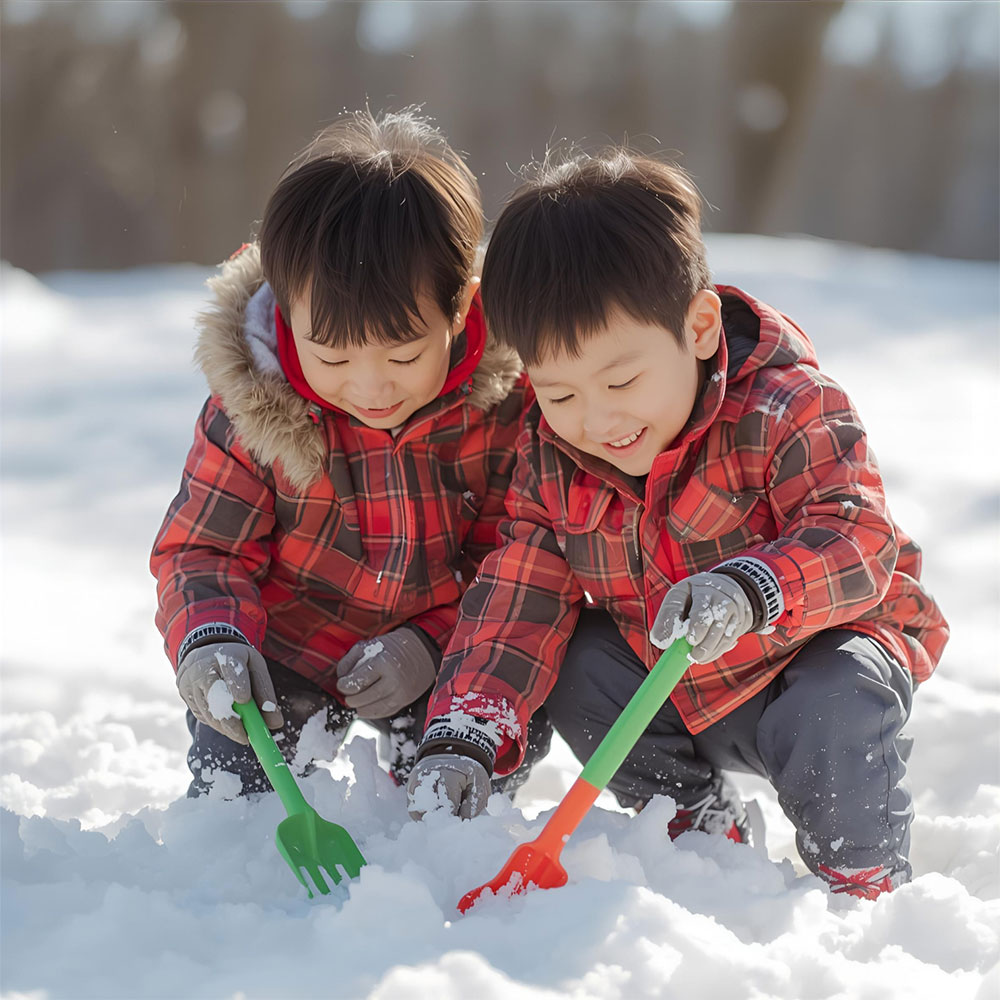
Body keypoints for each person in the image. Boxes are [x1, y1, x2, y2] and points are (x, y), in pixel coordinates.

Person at [405, 148, 949, 899]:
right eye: (560, 394)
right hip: (678, 683)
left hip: (807, 663)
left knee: (839, 693)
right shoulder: (552, 456)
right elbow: (519, 596)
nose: (598, 420)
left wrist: (754, 588)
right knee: (579, 664)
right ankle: (697, 830)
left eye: (622, 380)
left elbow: (858, 539)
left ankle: (861, 878)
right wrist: (465, 728)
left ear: (698, 327)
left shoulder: (786, 406)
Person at [151, 108, 549, 799]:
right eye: (332, 357)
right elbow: (204, 549)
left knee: (473, 760)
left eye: (404, 355)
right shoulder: (255, 405)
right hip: (289, 649)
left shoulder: (507, 406)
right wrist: (212, 637)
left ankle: (439, 799)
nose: (371, 387)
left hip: (440, 651)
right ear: (286, 312)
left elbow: (515, 558)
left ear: (462, 308)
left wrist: (432, 641)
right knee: (238, 779)